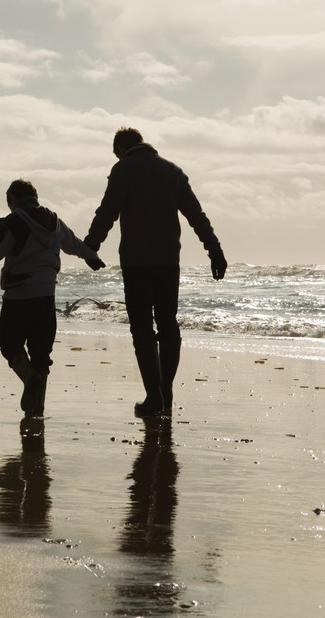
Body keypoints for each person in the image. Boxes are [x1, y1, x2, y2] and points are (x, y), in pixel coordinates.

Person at [84, 127, 226, 419]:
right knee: (168, 324)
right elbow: (196, 215)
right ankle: (165, 390)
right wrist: (215, 250)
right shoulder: (172, 171)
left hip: (136, 263)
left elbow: (107, 211)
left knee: (142, 329)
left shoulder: (123, 169)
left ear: (120, 150)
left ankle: (154, 396)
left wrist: (91, 247)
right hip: (167, 261)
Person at [0, 179, 104, 416]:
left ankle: (29, 378)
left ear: (12, 199)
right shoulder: (55, 221)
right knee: (41, 355)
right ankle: (37, 410)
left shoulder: (14, 222)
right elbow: (74, 244)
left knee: (9, 343)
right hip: (46, 296)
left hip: (18, 295)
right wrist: (91, 256)